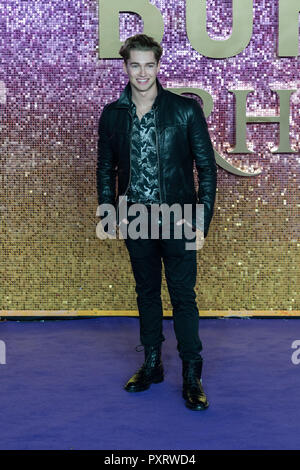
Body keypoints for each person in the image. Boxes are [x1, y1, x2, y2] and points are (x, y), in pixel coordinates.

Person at [97, 34, 217, 410]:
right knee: (146, 293)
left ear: (158, 66)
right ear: (126, 67)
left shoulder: (184, 110)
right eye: (135, 65)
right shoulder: (113, 114)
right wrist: (108, 209)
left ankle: (191, 374)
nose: (142, 72)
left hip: (179, 217)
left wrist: (202, 217)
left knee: (183, 298)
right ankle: (152, 364)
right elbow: (105, 167)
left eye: (149, 65)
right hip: (136, 217)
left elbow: (206, 168)